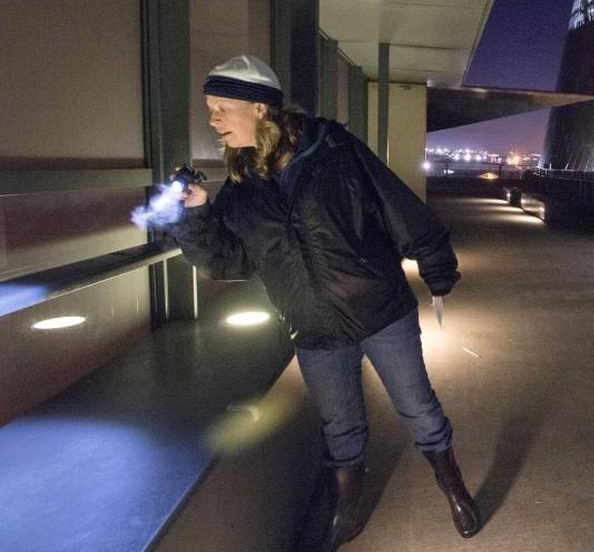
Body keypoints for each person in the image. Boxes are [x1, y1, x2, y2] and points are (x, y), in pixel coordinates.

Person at [169, 55, 481, 548]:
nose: (213, 120)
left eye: (221, 107)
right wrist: (195, 217)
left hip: (380, 310)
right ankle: (345, 512)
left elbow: (395, 204)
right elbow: (229, 263)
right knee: (340, 427)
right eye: (210, 109)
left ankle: (454, 488)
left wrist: (436, 264)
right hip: (312, 326)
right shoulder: (241, 186)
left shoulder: (333, 149)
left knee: (418, 408)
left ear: (259, 108)